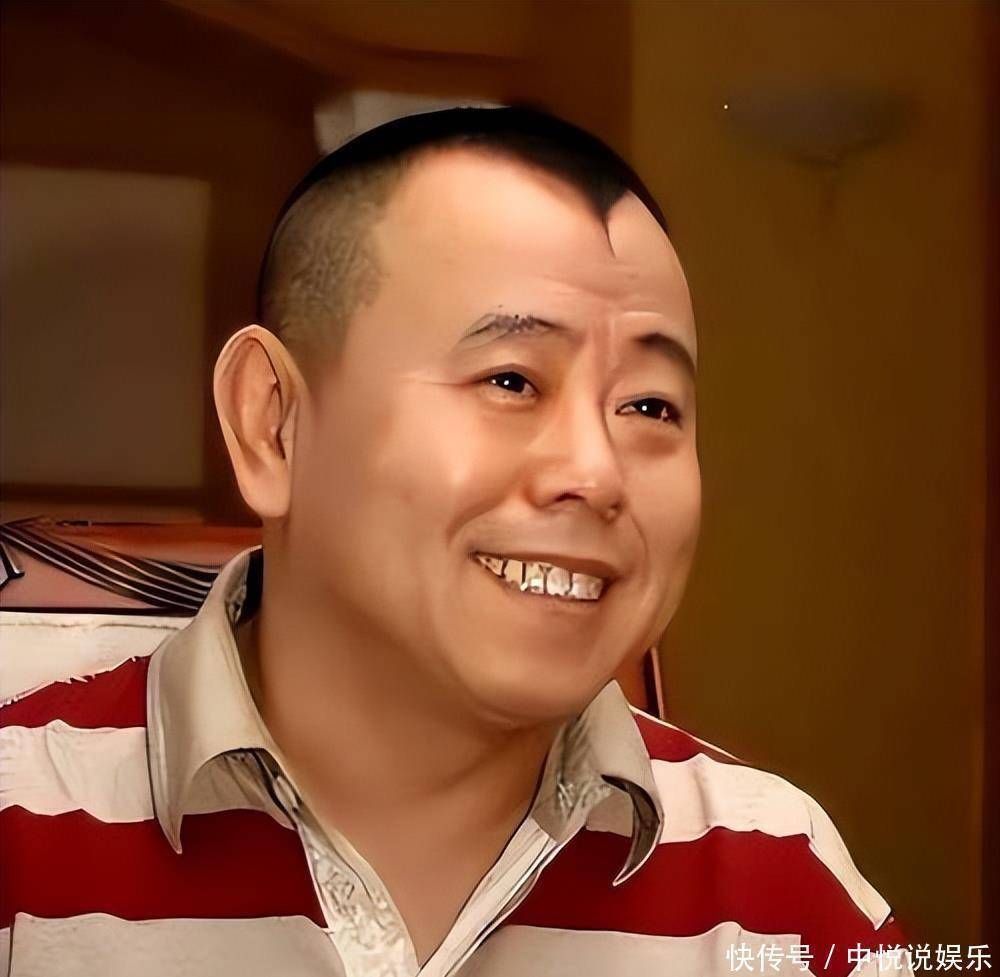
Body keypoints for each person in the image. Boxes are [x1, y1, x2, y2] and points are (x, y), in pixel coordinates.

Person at [0, 107, 911, 976]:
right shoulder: (21, 829)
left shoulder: (776, 886)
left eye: (648, 406)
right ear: (272, 424)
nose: (596, 473)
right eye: (512, 380)